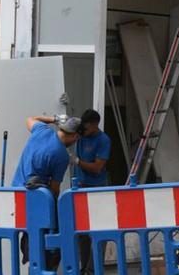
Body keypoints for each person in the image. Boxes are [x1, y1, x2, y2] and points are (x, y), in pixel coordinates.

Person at [12, 112, 82, 268]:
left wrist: (54, 119)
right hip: (38, 199)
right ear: (75, 136)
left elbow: (30, 118)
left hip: (16, 193)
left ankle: (32, 262)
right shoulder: (61, 155)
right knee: (45, 240)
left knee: (28, 233)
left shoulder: (42, 130)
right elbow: (55, 188)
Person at [74, 109, 112, 274]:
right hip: (80, 188)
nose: (84, 132)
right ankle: (84, 268)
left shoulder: (103, 140)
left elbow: (97, 168)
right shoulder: (82, 136)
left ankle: (93, 269)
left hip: (96, 188)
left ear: (95, 125)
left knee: (97, 230)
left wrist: (76, 161)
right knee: (81, 231)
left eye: (87, 128)